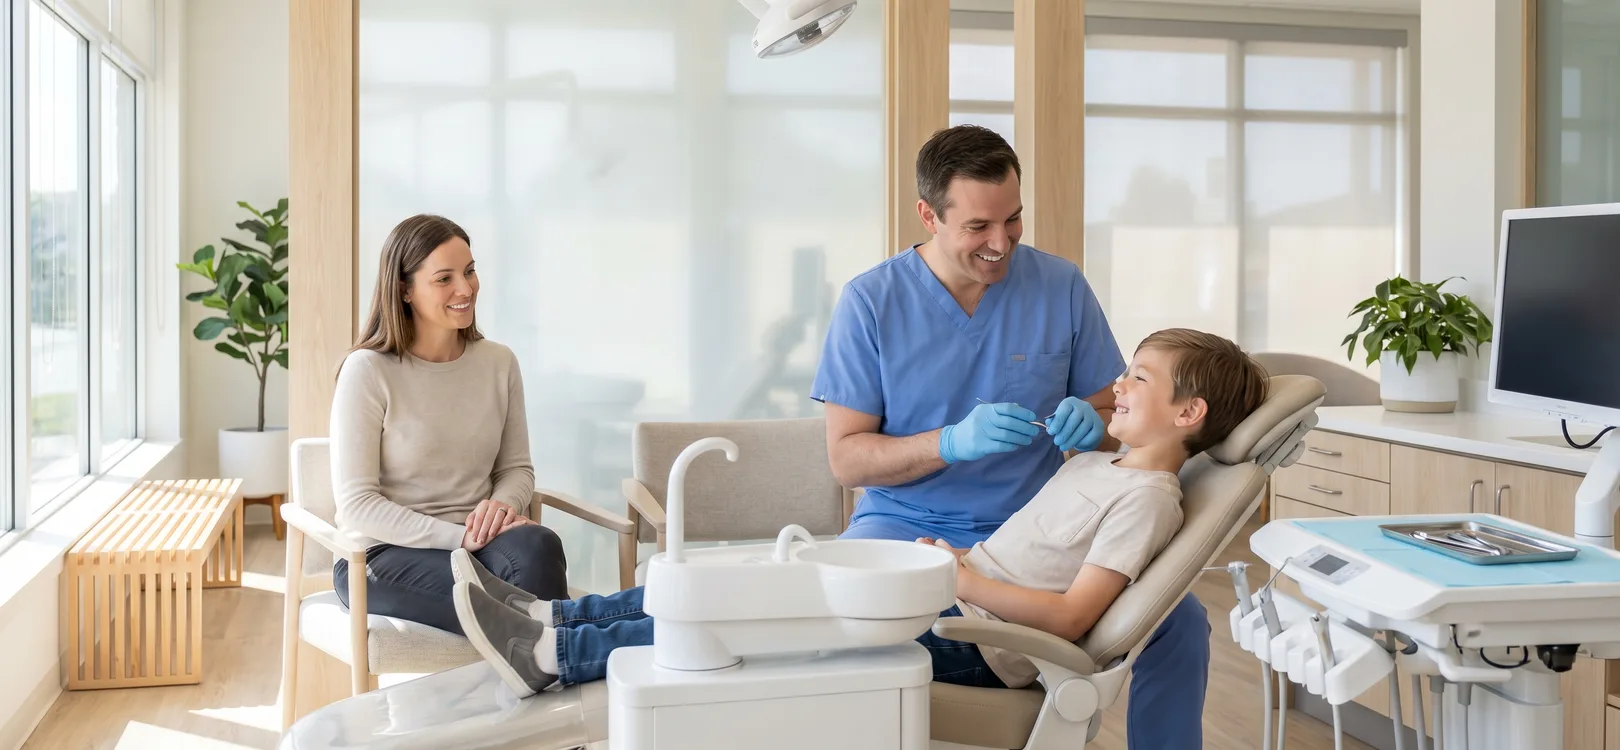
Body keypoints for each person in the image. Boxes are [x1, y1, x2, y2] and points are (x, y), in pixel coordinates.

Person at [444, 329, 1268, 703]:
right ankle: (556, 617)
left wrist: (968, 574)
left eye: (1138, 380)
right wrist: (958, 557)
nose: (1114, 387)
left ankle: (558, 654)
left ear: (1190, 415)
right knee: (766, 579)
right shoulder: (1098, 462)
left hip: (982, 640)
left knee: (767, 620)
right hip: (949, 587)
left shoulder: (1149, 498)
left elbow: (1075, 615)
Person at [810, 124, 1213, 749]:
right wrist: (946, 443)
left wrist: (1092, 414)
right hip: (907, 525)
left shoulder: (1060, 286)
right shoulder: (871, 301)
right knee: (847, 616)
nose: (1002, 244)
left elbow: (1121, 406)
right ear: (928, 215)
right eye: (978, 227)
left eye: (1014, 221)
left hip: (1040, 529)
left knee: (1178, 619)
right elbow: (846, 459)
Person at [328, 213, 569, 636]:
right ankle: (611, 627)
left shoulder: (498, 363)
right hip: (384, 555)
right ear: (404, 289)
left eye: (470, 271)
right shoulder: (368, 370)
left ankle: (556, 657)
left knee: (539, 546)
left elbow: (516, 469)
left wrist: (502, 506)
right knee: (509, 602)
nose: (466, 288)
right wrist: (458, 538)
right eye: (445, 278)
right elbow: (358, 505)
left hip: (480, 542)